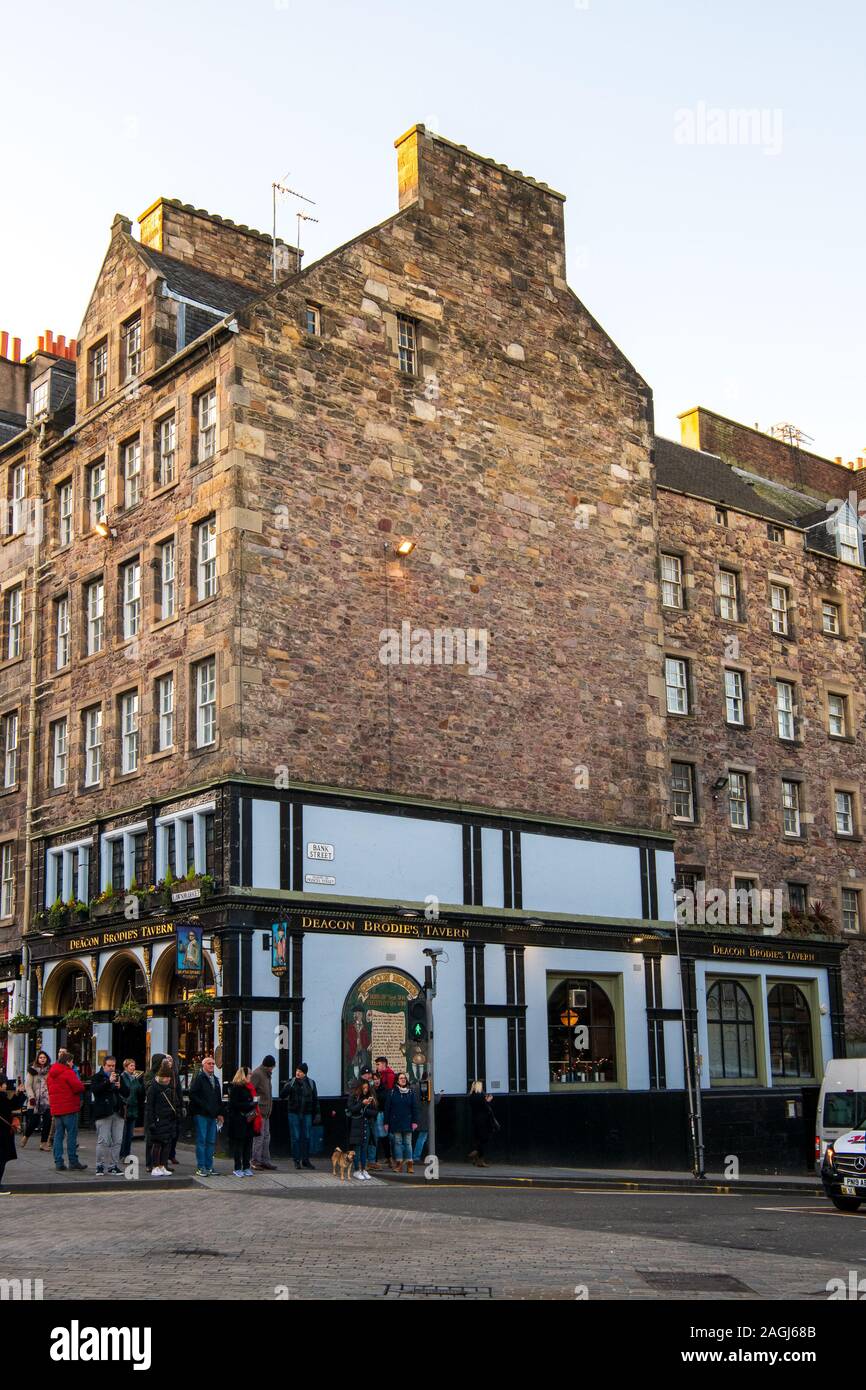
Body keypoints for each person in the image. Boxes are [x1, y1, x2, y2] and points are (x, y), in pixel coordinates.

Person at [46, 1050, 87, 1172]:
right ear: (67, 1061)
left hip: (57, 1109)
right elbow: (79, 1087)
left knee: (58, 1135)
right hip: (69, 1108)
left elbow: (50, 1089)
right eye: (72, 1061)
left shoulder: (51, 1074)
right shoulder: (68, 1072)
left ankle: (58, 1162)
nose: (72, 1063)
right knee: (71, 1135)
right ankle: (73, 1161)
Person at [188, 1056, 224, 1177]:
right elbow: (192, 1094)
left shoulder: (216, 1080)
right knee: (202, 1141)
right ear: (203, 1065)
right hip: (201, 1115)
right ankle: (201, 1167)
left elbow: (218, 1098)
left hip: (212, 1115)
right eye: (209, 1063)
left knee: (211, 1141)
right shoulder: (199, 1078)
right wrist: (204, 1106)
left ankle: (209, 1166)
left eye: (213, 1064)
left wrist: (220, 1113)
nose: (212, 1065)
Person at [91, 1054, 124, 1175]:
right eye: (109, 1066)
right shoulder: (97, 1077)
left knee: (117, 1141)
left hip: (117, 1112)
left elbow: (127, 1091)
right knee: (103, 1141)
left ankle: (113, 1166)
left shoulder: (118, 1076)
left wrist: (121, 1087)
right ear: (103, 1066)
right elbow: (95, 1091)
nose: (111, 1068)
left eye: (113, 1066)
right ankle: (99, 1165)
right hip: (103, 1113)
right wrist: (107, 1082)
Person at [281, 1063, 319, 1171]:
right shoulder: (291, 1082)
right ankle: (296, 1160)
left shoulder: (311, 1083)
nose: (298, 1073)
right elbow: (282, 1095)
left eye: (300, 1071)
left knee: (306, 1137)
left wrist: (317, 1113)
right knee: (296, 1137)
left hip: (307, 1113)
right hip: (294, 1113)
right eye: (297, 1070)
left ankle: (306, 1160)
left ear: (305, 1073)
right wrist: (288, 1087)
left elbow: (315, 1099)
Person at [145, 1060, 177, 1177]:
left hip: (167, 1119)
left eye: (169, 1078)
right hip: (158, 1120)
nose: (169, 1080)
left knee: (166, 1144)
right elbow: (150, 1107)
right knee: (157, 1144)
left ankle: (162, 1166)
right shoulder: (153, 1088)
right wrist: (151, 1122)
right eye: (167, 1077)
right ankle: (155, 1166)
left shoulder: (168, 1088)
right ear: (161, 1077)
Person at [384, 1071, 419, 1174]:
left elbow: (415, 1108)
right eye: (401, 1078)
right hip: (395, 1122)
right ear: (397, 1080)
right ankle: (399, 1164)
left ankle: (409, 1164)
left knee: (408, 1143)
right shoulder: (391, 1092)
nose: (403, 1079)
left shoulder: (410, 1092)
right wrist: (386, 1122)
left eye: (404, 1078)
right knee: (397, 1143)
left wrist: (415, 1121)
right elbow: (387, 1109)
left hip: (408, 1122)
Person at [227, 1067, 257, 1177]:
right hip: (239, 1120)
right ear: (243, 1075)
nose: (251, 1076)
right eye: (249, 1074)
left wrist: (253, 1104)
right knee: (239, 1145)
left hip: (248, 1120)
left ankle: (246, 1166)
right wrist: (248, 1105)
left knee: (248, 1144)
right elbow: (233, 1104)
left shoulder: (248, 1087)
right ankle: (237, 1167)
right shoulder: (236, 1088)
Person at [250, 1055, 278, 1171]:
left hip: (266, 1111)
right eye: (272, 1067)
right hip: (259, 1111)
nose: (273, 1069)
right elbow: (251, 1091)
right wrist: (255, 1106)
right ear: (267, 1066)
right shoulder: (258, 1074)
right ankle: (256, 1160)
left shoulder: (266, 1075)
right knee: (259, 1137)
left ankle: (265, 1160)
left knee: (266, 1136)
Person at [346, 1080, 377, 1181]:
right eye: (363, 1088)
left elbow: (374, 1112)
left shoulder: (370, 1097)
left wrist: (365, 1109)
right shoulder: (353, 1096)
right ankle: (356, 1170)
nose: (365, 1090)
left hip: (366, 1125)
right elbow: (352, 1109)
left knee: (364, 1148)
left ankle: (363, 1169)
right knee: (357, 1149)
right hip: (356, 1125)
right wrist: (362, 1104)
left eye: (367, 1088)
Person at [0, 1075, 27, 1193]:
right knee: (1, 1159)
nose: (6, 1085)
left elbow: (10, 1105)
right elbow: (12, 1106)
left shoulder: (2, 1097)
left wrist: (18, 1094)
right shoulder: (1, 1097)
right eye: (4, 1083)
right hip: (2, 1133)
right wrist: (19, 1094)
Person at [22, 1051, 51, 1150]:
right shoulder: (32, 1070)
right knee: (34, 1121)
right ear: (37, 1059)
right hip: (34, 1100)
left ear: (47, 1059)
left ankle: (43, 1143)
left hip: (47, 1100)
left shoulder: (50, 1071)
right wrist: (31, 1097)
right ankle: (26, 1136)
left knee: (48, 1121)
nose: (42, 1059)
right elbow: (28, 1085)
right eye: (40, 1057)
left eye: (44, 1057)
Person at [142, 1052, 165, 1172]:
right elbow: (148, 1088)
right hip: (151, 1110)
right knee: (150, 1139)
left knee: (161, 1139)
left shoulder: (165, 1074)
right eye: (162, 1062)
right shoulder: (149, 1075)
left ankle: (160, 1163)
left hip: (162, 1110)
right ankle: (149, 1163)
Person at [468, 1080, 497, 1167]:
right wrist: (488, 1100)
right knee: (484, 1139)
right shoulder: (480, 1096)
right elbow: (485, 1107)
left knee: (478, 1139)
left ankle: (476, 1157)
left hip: (475, 1120)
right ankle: (477, 1156)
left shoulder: (471, 1096)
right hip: (483, 1120)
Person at [119, 1059, 143, 1162]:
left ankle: (127, 1154)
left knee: (130, 1134)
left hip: (134, 1107)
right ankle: (121, 1154)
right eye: (131, 1066)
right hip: (125, 1108)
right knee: (123, 1134)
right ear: (126, 1067)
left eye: (134, 1066)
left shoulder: (135, 1078)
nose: (133, 1067)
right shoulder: (122, 1077)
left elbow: (139, 1091)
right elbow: (122, 1092)